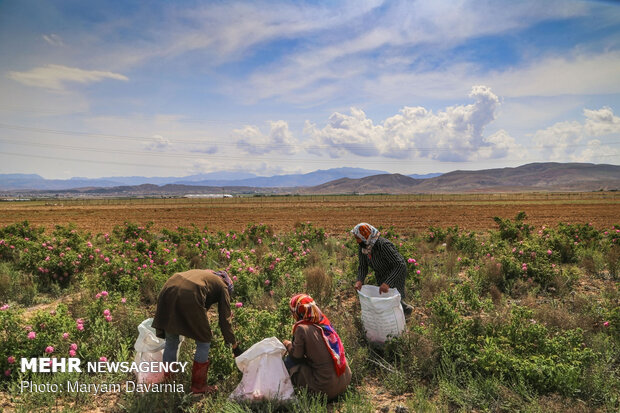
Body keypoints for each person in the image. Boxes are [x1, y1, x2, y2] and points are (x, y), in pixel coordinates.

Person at [152, 269, 243, 395]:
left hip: (169, 287)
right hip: (190, 293)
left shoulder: (206, 275)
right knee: (204, 340)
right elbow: (225, 321)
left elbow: (201, 304)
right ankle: (199, 387)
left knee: (171, 340)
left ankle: (169, 383)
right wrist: (234, 346)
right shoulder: (223, 287)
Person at [282, 293, 352, 400]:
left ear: (297, 312)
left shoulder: (302, 328)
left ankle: (283, 394)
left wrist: (287, 344)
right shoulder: (324, 322)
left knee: (288, 362)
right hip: (344, 380)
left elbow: (296, 356)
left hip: (325, 388)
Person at [351, 222, 414, 316]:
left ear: (365, 236)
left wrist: (388, 282)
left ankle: (403, 316)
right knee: (387, 300)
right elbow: (363, 266)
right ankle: (405, 310)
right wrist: (360, 280)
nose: (357, 241)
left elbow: (400, 265)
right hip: (381, 276)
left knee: (392, 300)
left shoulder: (383, 245)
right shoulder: (364, 248)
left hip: (394, 274)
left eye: (358, 238)